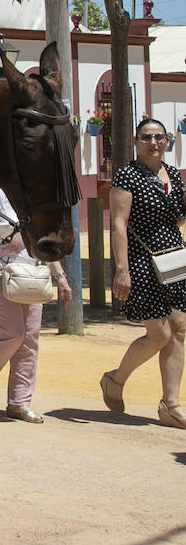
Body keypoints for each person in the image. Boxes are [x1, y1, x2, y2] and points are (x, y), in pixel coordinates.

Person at [0, 178, 72, 423]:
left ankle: (19, 402)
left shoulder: (37, 194)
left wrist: (61, 278)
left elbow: (43, 242)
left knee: (29, 338)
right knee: (11, 334)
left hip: (29, 273)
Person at [101, 117, 186, 428]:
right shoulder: (127, 176)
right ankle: (115, 379)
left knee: (178, 330)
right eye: (147, 137)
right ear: (136, 142)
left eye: (159, 137)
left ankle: (171, 405)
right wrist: (121, 269)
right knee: (159, 333)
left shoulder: (174, 175)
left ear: (166, 141)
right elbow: (119, 224)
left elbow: (176, 219)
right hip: (141, 261)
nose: (154, 142)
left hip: (174, 257)